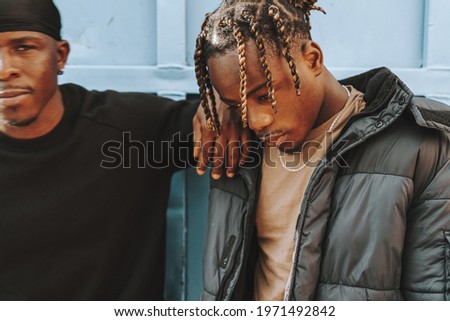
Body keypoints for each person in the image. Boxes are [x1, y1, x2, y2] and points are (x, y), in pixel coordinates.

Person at [195, 0, 450, 300]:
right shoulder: (236, 139)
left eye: (264, 96)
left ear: (312, 59)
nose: (256, 121)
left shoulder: (422, 144)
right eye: (237, 105)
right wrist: (215, 106)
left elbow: (432, 296)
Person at [0, 0, 245, 300]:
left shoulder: (127, 130)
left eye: (24, 48)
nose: (5, 69)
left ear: (60, 55)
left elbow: (236, 119)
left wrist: (224, 101)